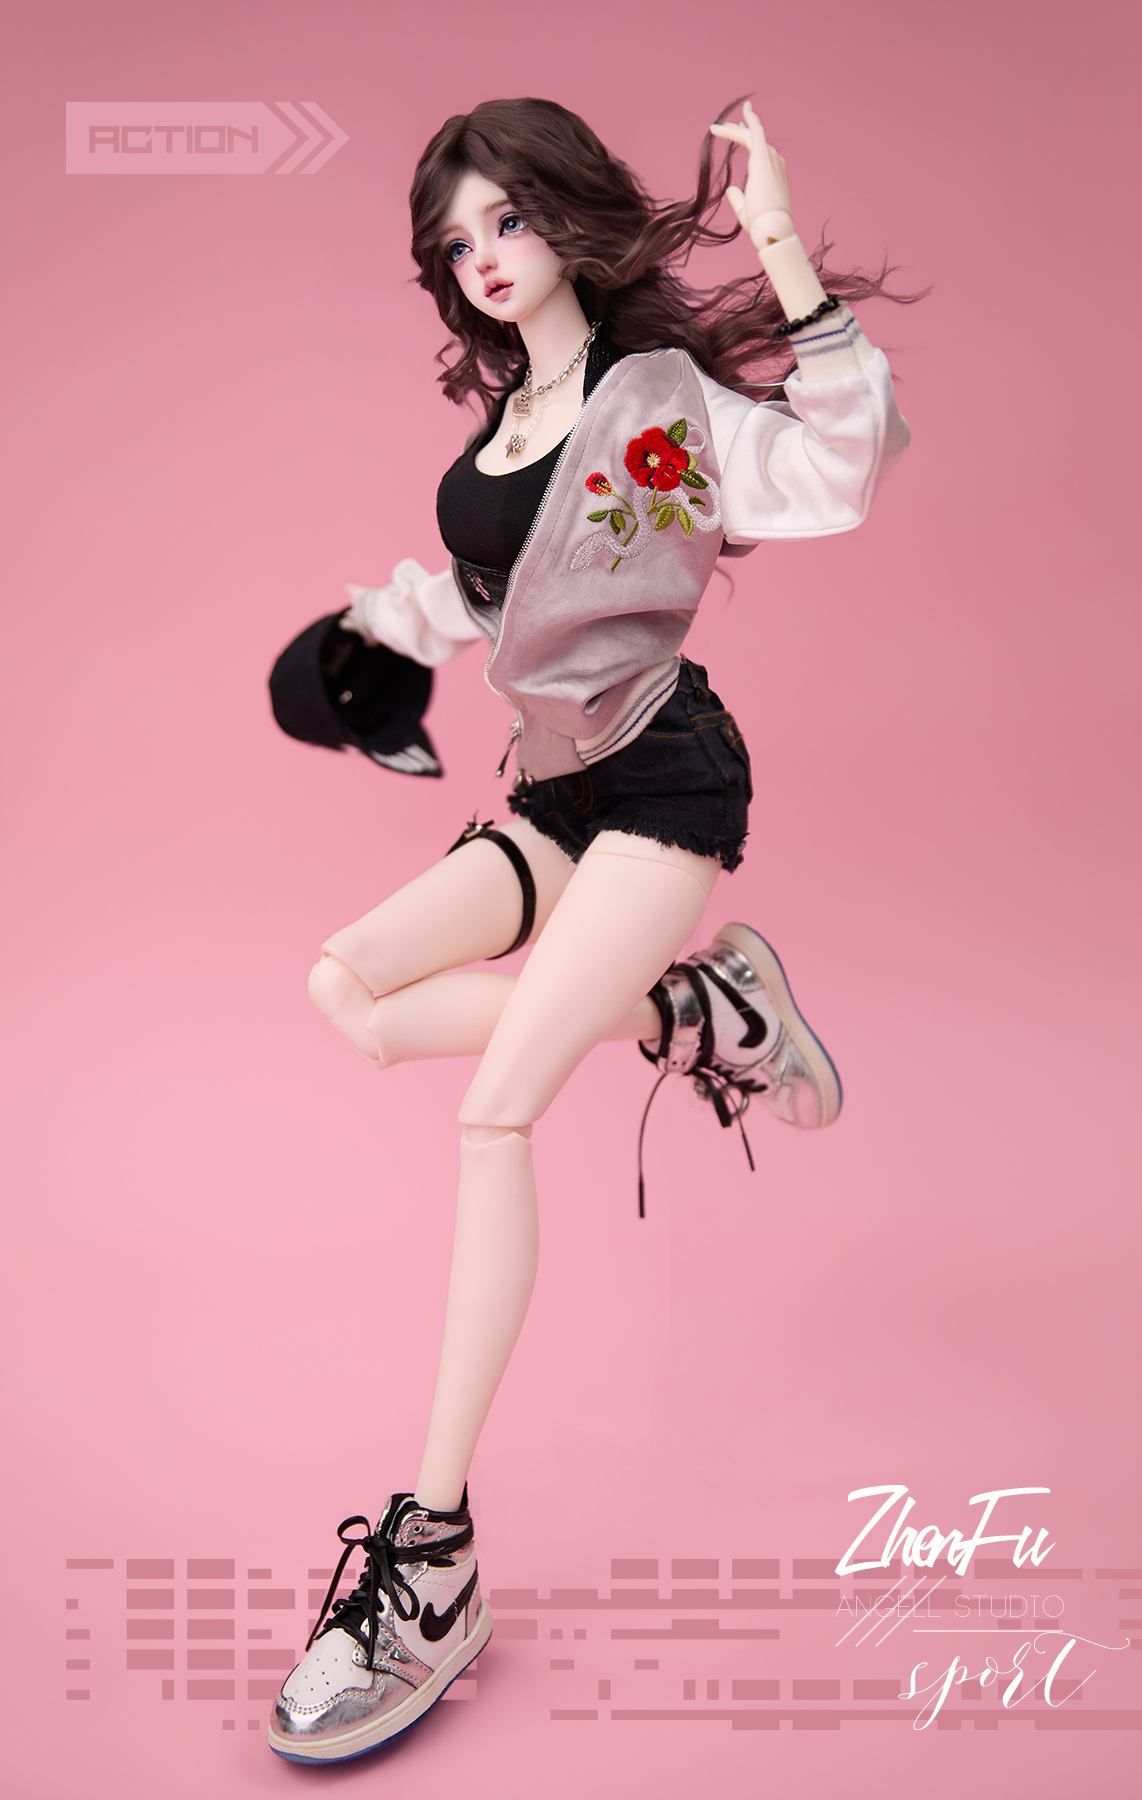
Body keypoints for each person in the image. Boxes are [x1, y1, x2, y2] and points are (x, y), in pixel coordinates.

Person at [268, 95, 911, 1763]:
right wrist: (371, 637)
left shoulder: (656, 402)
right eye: (456, 240)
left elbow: (842, 469)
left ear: (563, 213)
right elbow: (493, 602)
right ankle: (705, 1017)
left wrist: (782, 242)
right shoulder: (501, 432)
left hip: (664, 784)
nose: (483, 257)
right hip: (550, 795)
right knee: (345, 989)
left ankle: (433, 1553)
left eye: (506, 219)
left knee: (495, 1114)